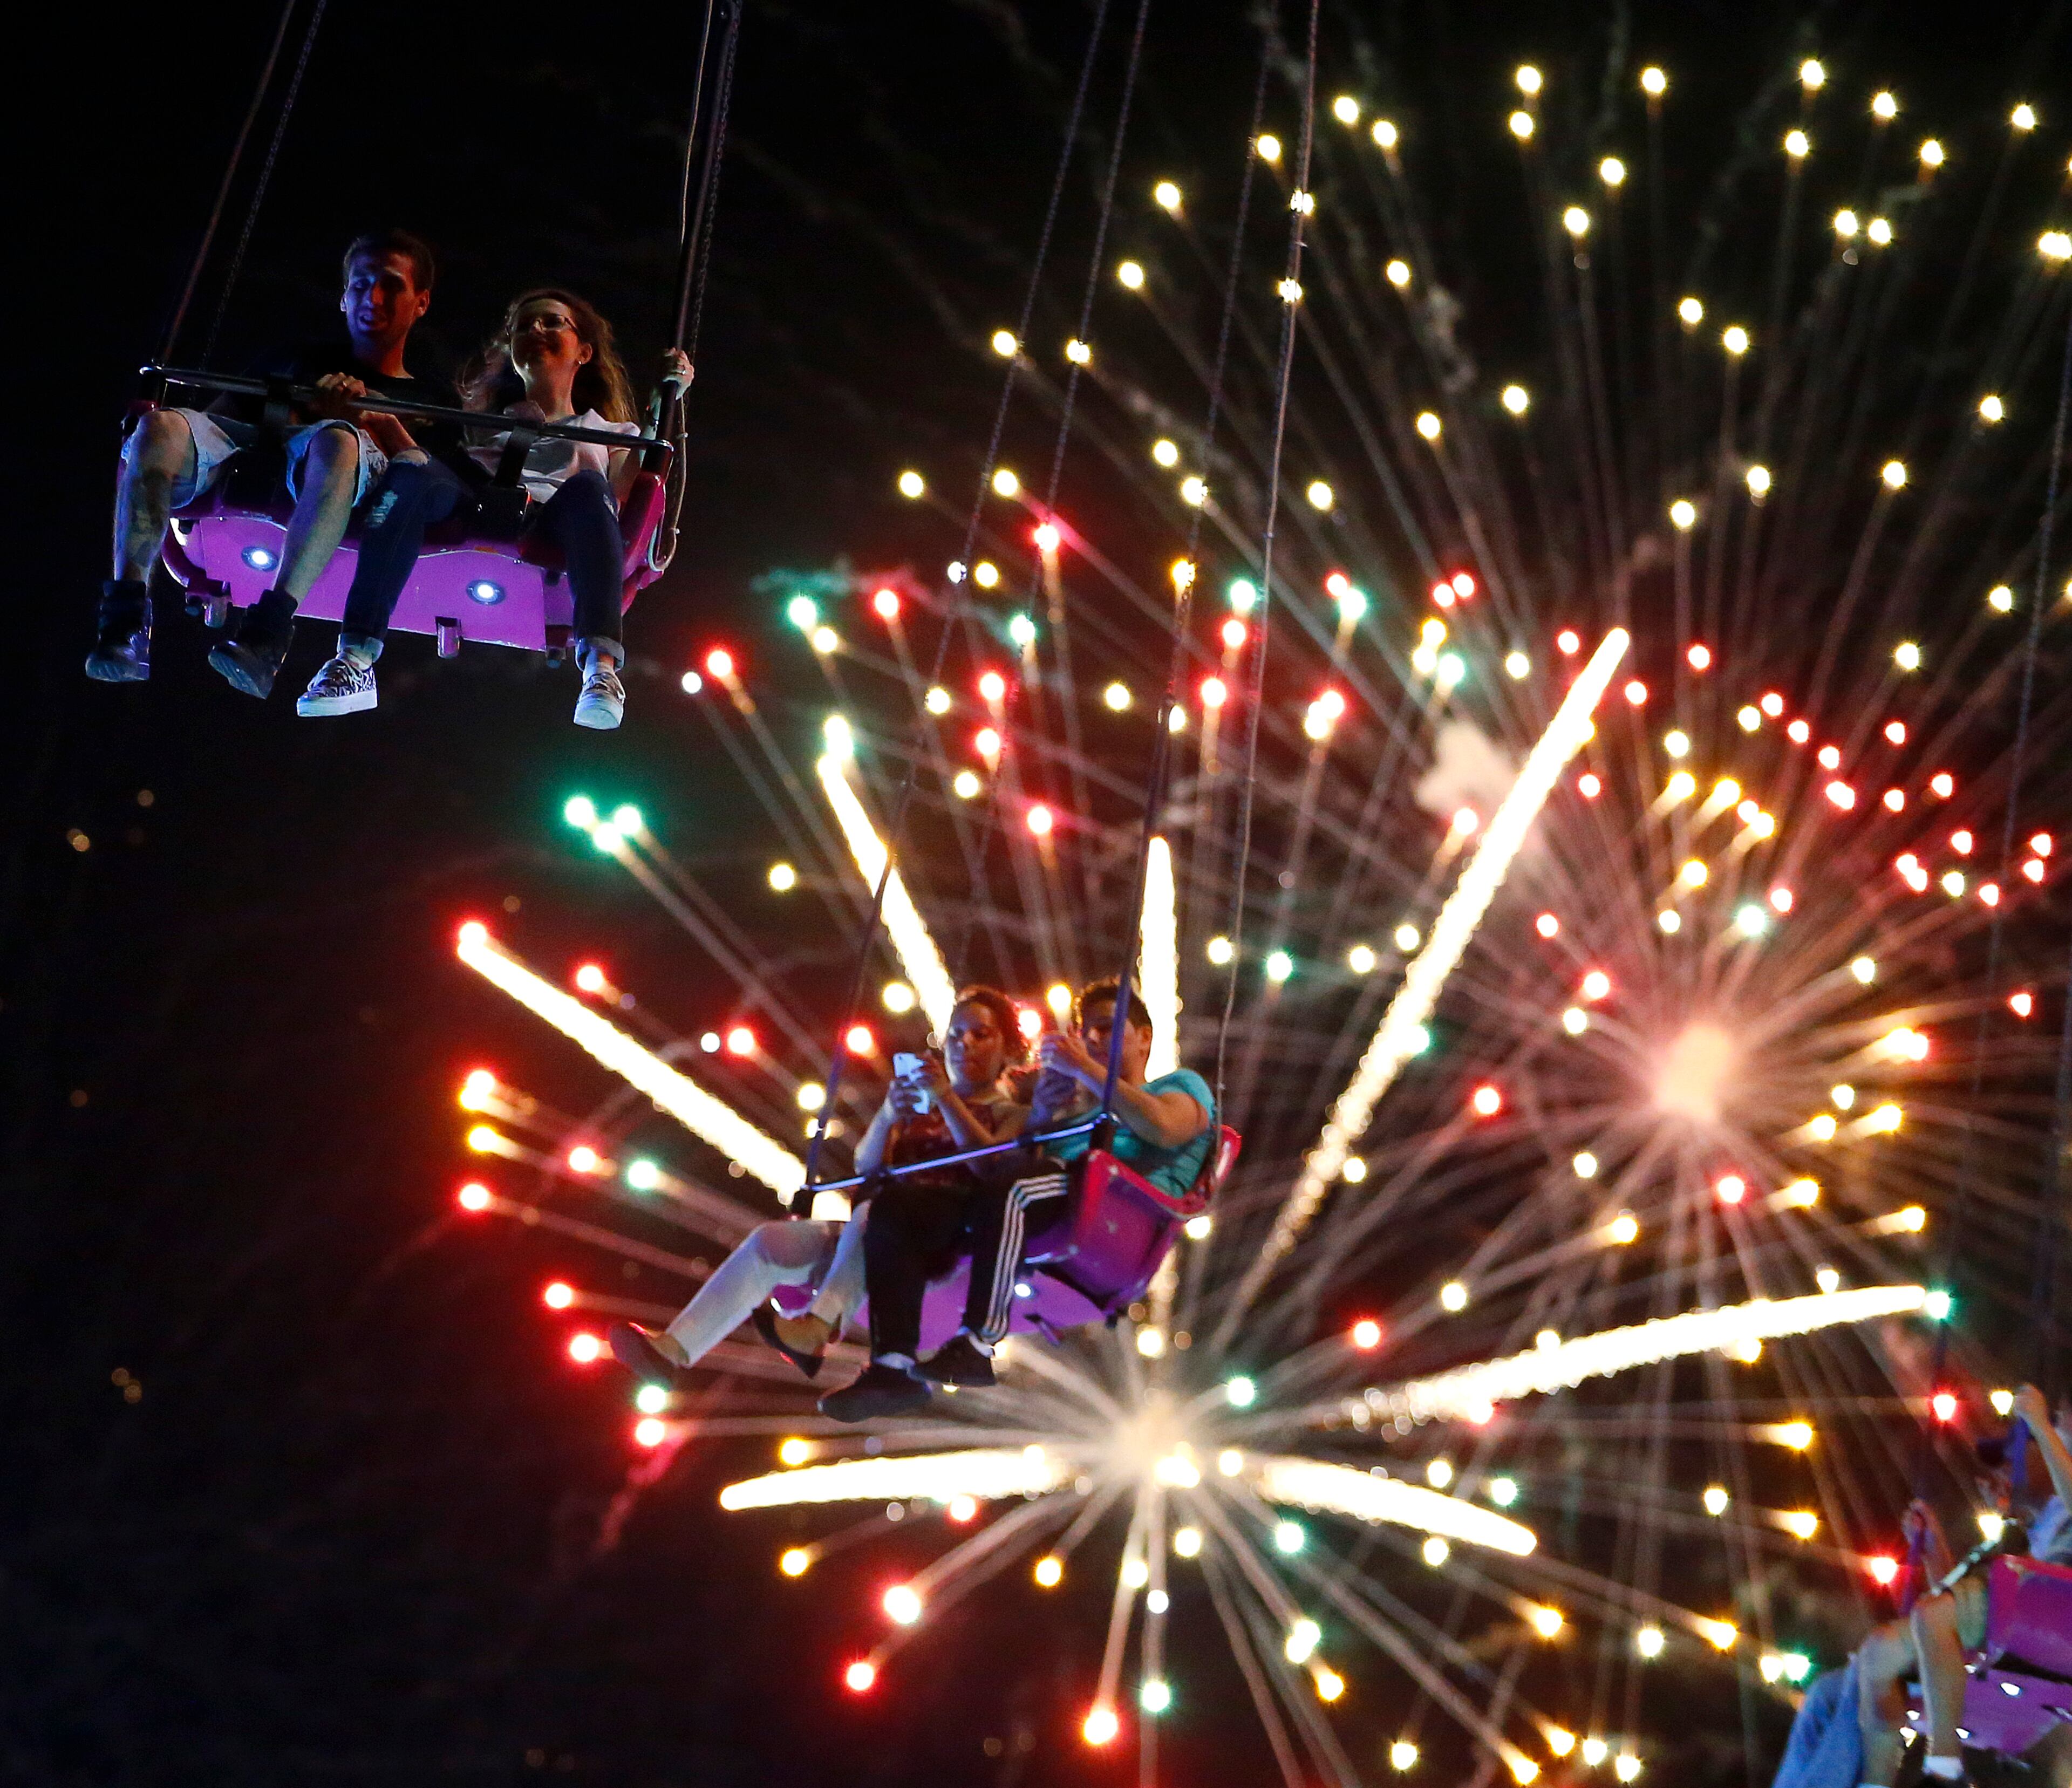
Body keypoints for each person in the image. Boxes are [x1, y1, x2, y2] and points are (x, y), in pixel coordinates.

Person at [820, 975, 1214, 1423]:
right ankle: (892, 1367)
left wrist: (1088, 1070)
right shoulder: (1079, 1105)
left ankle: (979, 1338)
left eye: (1108, 1027)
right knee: (898, 1205)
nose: (1094, 1039)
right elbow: (1026, 1144)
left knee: (1014, 1187)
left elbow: (1164, 1128)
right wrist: (1046, 1114)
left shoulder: (1179, 1086)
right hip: (1040, 1197)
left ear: (1144, 1037)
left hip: (1110, 1209)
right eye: (1087, 1031)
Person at [294, 289, 689, 728]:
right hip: (483, 505)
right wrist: (379, 419)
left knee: (588, 485)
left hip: (557, 520)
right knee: (410, 474)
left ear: (584, 351)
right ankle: (355, 657)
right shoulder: (486, 430)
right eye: (523, 327)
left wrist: (664, 403)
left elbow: (623, 496)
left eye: (551, 322)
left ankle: (601, 669)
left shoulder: (611, 433)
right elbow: (439, 473)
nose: (535, 330)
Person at [607, 988, 1028, 1384]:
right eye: (955, 1035)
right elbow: (866, 1164)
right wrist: (888, 1114)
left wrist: (947, 1100)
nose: (964, 1045)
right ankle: (675, 1350)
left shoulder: (1015, 1114)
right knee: (771, 1241)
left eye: (980, 1035)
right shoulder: (925, 1108)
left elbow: (992, 1166)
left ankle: (818, 1327)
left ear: (1008, 1049)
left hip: (943, 1243)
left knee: (876, 1211)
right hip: (876, 1230)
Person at [92, 230, 452, 690]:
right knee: (160, 427)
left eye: (391, 285)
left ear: (420, 302)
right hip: (261, 447)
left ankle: (269, 630)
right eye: (360, 285)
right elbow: (218, 423)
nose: (373, 298)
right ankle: (125, 615)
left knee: (338, 441)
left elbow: (426, 478)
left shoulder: (430, 398)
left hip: (344, 472)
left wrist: (372, 417)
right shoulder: (294, 358)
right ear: (343, 299)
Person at [1851, 1385, 2072, 1786]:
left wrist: (2041, 1425)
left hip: (2054, 1617)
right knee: (1876, 1654)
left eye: (2014, 1458)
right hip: (2019, 1615)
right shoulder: (2023, 1531)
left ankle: (1944, 1771)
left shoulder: (2045, 1519)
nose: (2005, 1471)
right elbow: (1956, 1627)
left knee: (1844, 1690)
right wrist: (1935, 1550)